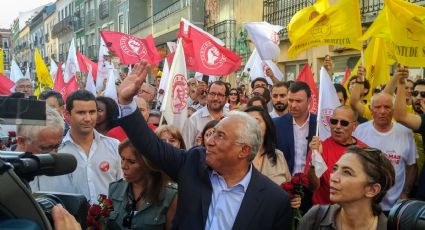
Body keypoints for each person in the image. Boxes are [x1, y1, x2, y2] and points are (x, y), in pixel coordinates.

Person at [116, 60, 291, 229]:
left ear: (243, 150)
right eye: (212, 133)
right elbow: (152, 146)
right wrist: (126, 103)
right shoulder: (193, 163)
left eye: (220, 136)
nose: (210, 141)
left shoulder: (274, 201)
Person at [298, 146, 395, 230]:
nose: (333, 178)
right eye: (335, 169)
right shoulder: (316, 217)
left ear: (372, 190)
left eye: (347, 172)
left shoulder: (388, 227)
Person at [354, 92, 417, 214]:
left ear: (393, 110)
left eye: (387, 107)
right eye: (377, 107)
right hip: (365, 203)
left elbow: (412, 166)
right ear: (371, 110)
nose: (382, 111)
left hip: (395, 207)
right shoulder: (360, 131)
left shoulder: (405, 133)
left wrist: (405, 192)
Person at [59, 90, 122, 202]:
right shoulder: (58, 151)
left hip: (112, 218)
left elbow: (123, 187)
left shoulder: (114, 146)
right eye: (81, 113)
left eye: (92, 112)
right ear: (67, 115)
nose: (88, 118)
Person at [305, 106, 367, 205]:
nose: (338, 126)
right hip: (324, 211)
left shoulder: (364, 150)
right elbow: (312, 187)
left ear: (354, 126)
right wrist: (315, 159)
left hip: (351, 212)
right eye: (334, 121)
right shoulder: (319, 148)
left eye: (344, 123)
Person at [108, 140, 177, 229]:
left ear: (148, 164)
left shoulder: (170, 195)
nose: (123, 166)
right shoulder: (115, 188)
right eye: (122, 158)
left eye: (131, 161)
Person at [273, 81, 317, 213]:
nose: (293, 105)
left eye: (298, 101)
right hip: (284, 189)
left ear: (309, 100)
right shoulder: (276, 125)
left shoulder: (319, 125)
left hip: (312, 189)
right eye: (290, 100)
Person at [15, 107, 68, 192]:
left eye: (57, 146)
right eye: (45, 148)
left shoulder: (62, 168)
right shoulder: (6, 176)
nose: (53, 153)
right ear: (22, 142)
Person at [393, 66, 425, 200]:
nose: (418, 98)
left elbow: (400, 116)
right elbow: (400, 115)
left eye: (423, 95)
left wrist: (401, 84)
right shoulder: (409, 111)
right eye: (415, 94)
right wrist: (399, 83)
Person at [182, 81, 229, 149]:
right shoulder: (193, 120)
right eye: (212, 94)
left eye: (220, 95)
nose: (215, 98)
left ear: (226, 99)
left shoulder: (230, 119)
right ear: (207, 95)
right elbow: (186, 149)